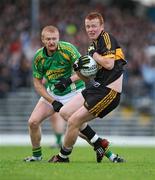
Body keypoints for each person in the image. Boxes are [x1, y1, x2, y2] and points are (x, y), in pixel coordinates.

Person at [24, 25, 112, 162]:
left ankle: (110, 154)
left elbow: (85, 71)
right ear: (43, 40)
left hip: (74, 92)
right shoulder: (38, 57)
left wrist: (68, 80)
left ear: (58, 38)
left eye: (54, 39)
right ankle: (36, 156)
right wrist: (53, 101)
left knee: (76, 125)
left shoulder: (68, 49)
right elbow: (37, 83)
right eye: (48, 39)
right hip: (52, 94)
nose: (52, 42)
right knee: (33, 122)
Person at [49, 12, 127, 163]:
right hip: (97, 87)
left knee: (73, 122)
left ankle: (62, 157)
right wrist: (69, 79)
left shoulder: (106, 39)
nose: (91, 29)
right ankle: (99, 143)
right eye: (88, 26)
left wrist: (94, 55)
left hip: (109, 92)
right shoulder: (93, 45)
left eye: (94, 26)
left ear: (101, 26)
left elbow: (109, 64)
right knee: (64, 112)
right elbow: (89, 75)